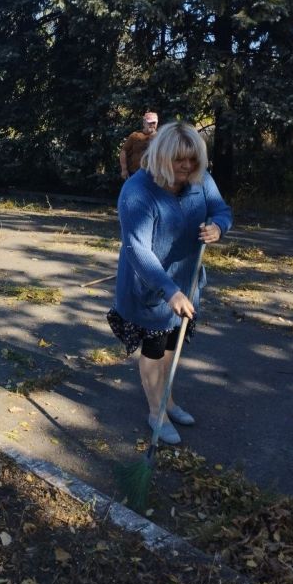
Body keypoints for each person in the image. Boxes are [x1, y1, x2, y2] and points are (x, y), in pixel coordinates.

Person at [108, 121, 232, 444]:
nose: (187, 167)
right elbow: (137, 248)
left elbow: (221, 208)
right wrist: (168, 291)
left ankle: (169, 401)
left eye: (192, 160)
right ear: (162, 157)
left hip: (186, 284)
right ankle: (156, 411)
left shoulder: (199, 179)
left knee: (171, 347)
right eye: (180, 160)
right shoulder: (137, 192)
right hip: (150, 289)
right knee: (153, 348)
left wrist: (219, 226)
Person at [119, 112, 159, 179]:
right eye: (149, 123)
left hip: (154, 174)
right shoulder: (135, 136)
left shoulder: (161, 137)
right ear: (144, 123)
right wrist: (124, 169)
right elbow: (124, 151)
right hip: (135, 173)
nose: (152, 125)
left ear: (157, 124)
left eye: (154, 123)